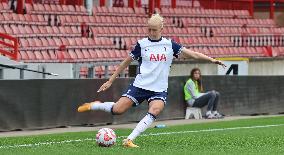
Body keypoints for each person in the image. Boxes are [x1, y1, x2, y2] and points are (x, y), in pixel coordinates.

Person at [77, 14, 226, 148]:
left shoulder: (170, 45)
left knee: (155, 110)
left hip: (159, 88)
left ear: (162, 28)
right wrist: (110, 80)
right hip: (140, 85)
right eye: (149, 29)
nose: (151, 33)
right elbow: (125, 63)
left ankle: (129, 139)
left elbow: (192, 54)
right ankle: (95, 105)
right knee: (117, 110)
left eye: (154, 30)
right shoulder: (141, 45)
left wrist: (212, 60)